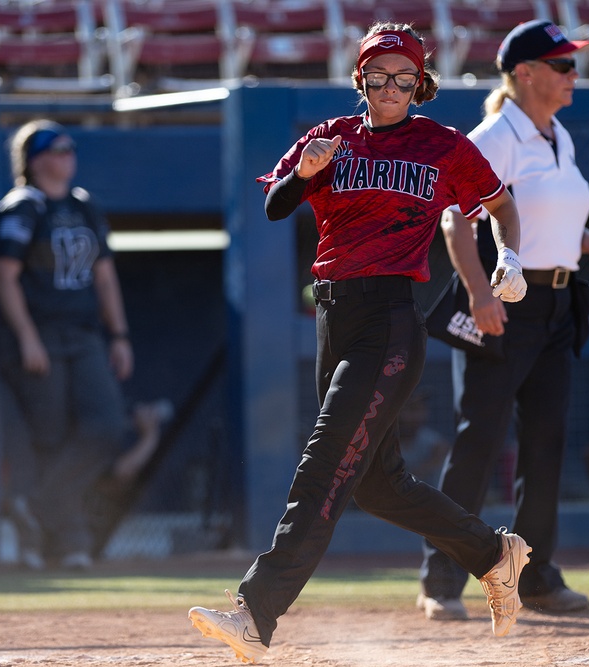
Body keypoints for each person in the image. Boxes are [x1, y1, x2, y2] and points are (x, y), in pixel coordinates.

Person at [188, 22, 533, 664]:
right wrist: (304, 174)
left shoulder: (443, 145)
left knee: (324, 464)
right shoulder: (331, 140)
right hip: (335, 315)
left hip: (390, 320)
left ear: (421, 81)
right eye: (380, 73)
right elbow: (275, 206)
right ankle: (494, 553)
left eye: (406, 75)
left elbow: (501, 206)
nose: (393, 85)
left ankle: (254, 613)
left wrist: (508, 258)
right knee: (377, 485)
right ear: (361, 79)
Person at [419, 19, 589, 619]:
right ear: (524, 73)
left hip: (557, 299)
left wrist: (580, 238)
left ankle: (537, 575)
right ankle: (440, 579)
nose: (573, 74)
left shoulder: (557, 135)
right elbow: (455, 218)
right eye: (562, 65)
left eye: (573, 64)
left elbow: (539, 208)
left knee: (545, 441)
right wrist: (479, 292)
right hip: (506, 302)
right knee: (478, 438)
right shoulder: (497, 134)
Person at [0, 119, 136, 571]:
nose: (68, 155)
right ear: (34, 160)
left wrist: (119, 335)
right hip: (42, 336)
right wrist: (27, 338)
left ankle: (32, 506)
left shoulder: (84, 205)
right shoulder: (22, 208)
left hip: (84, 334)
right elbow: (4, 276)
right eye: (57, 148)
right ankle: (66, 541)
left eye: (71, 147)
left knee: (107, 427)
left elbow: (105, 277)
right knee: (50, 437)